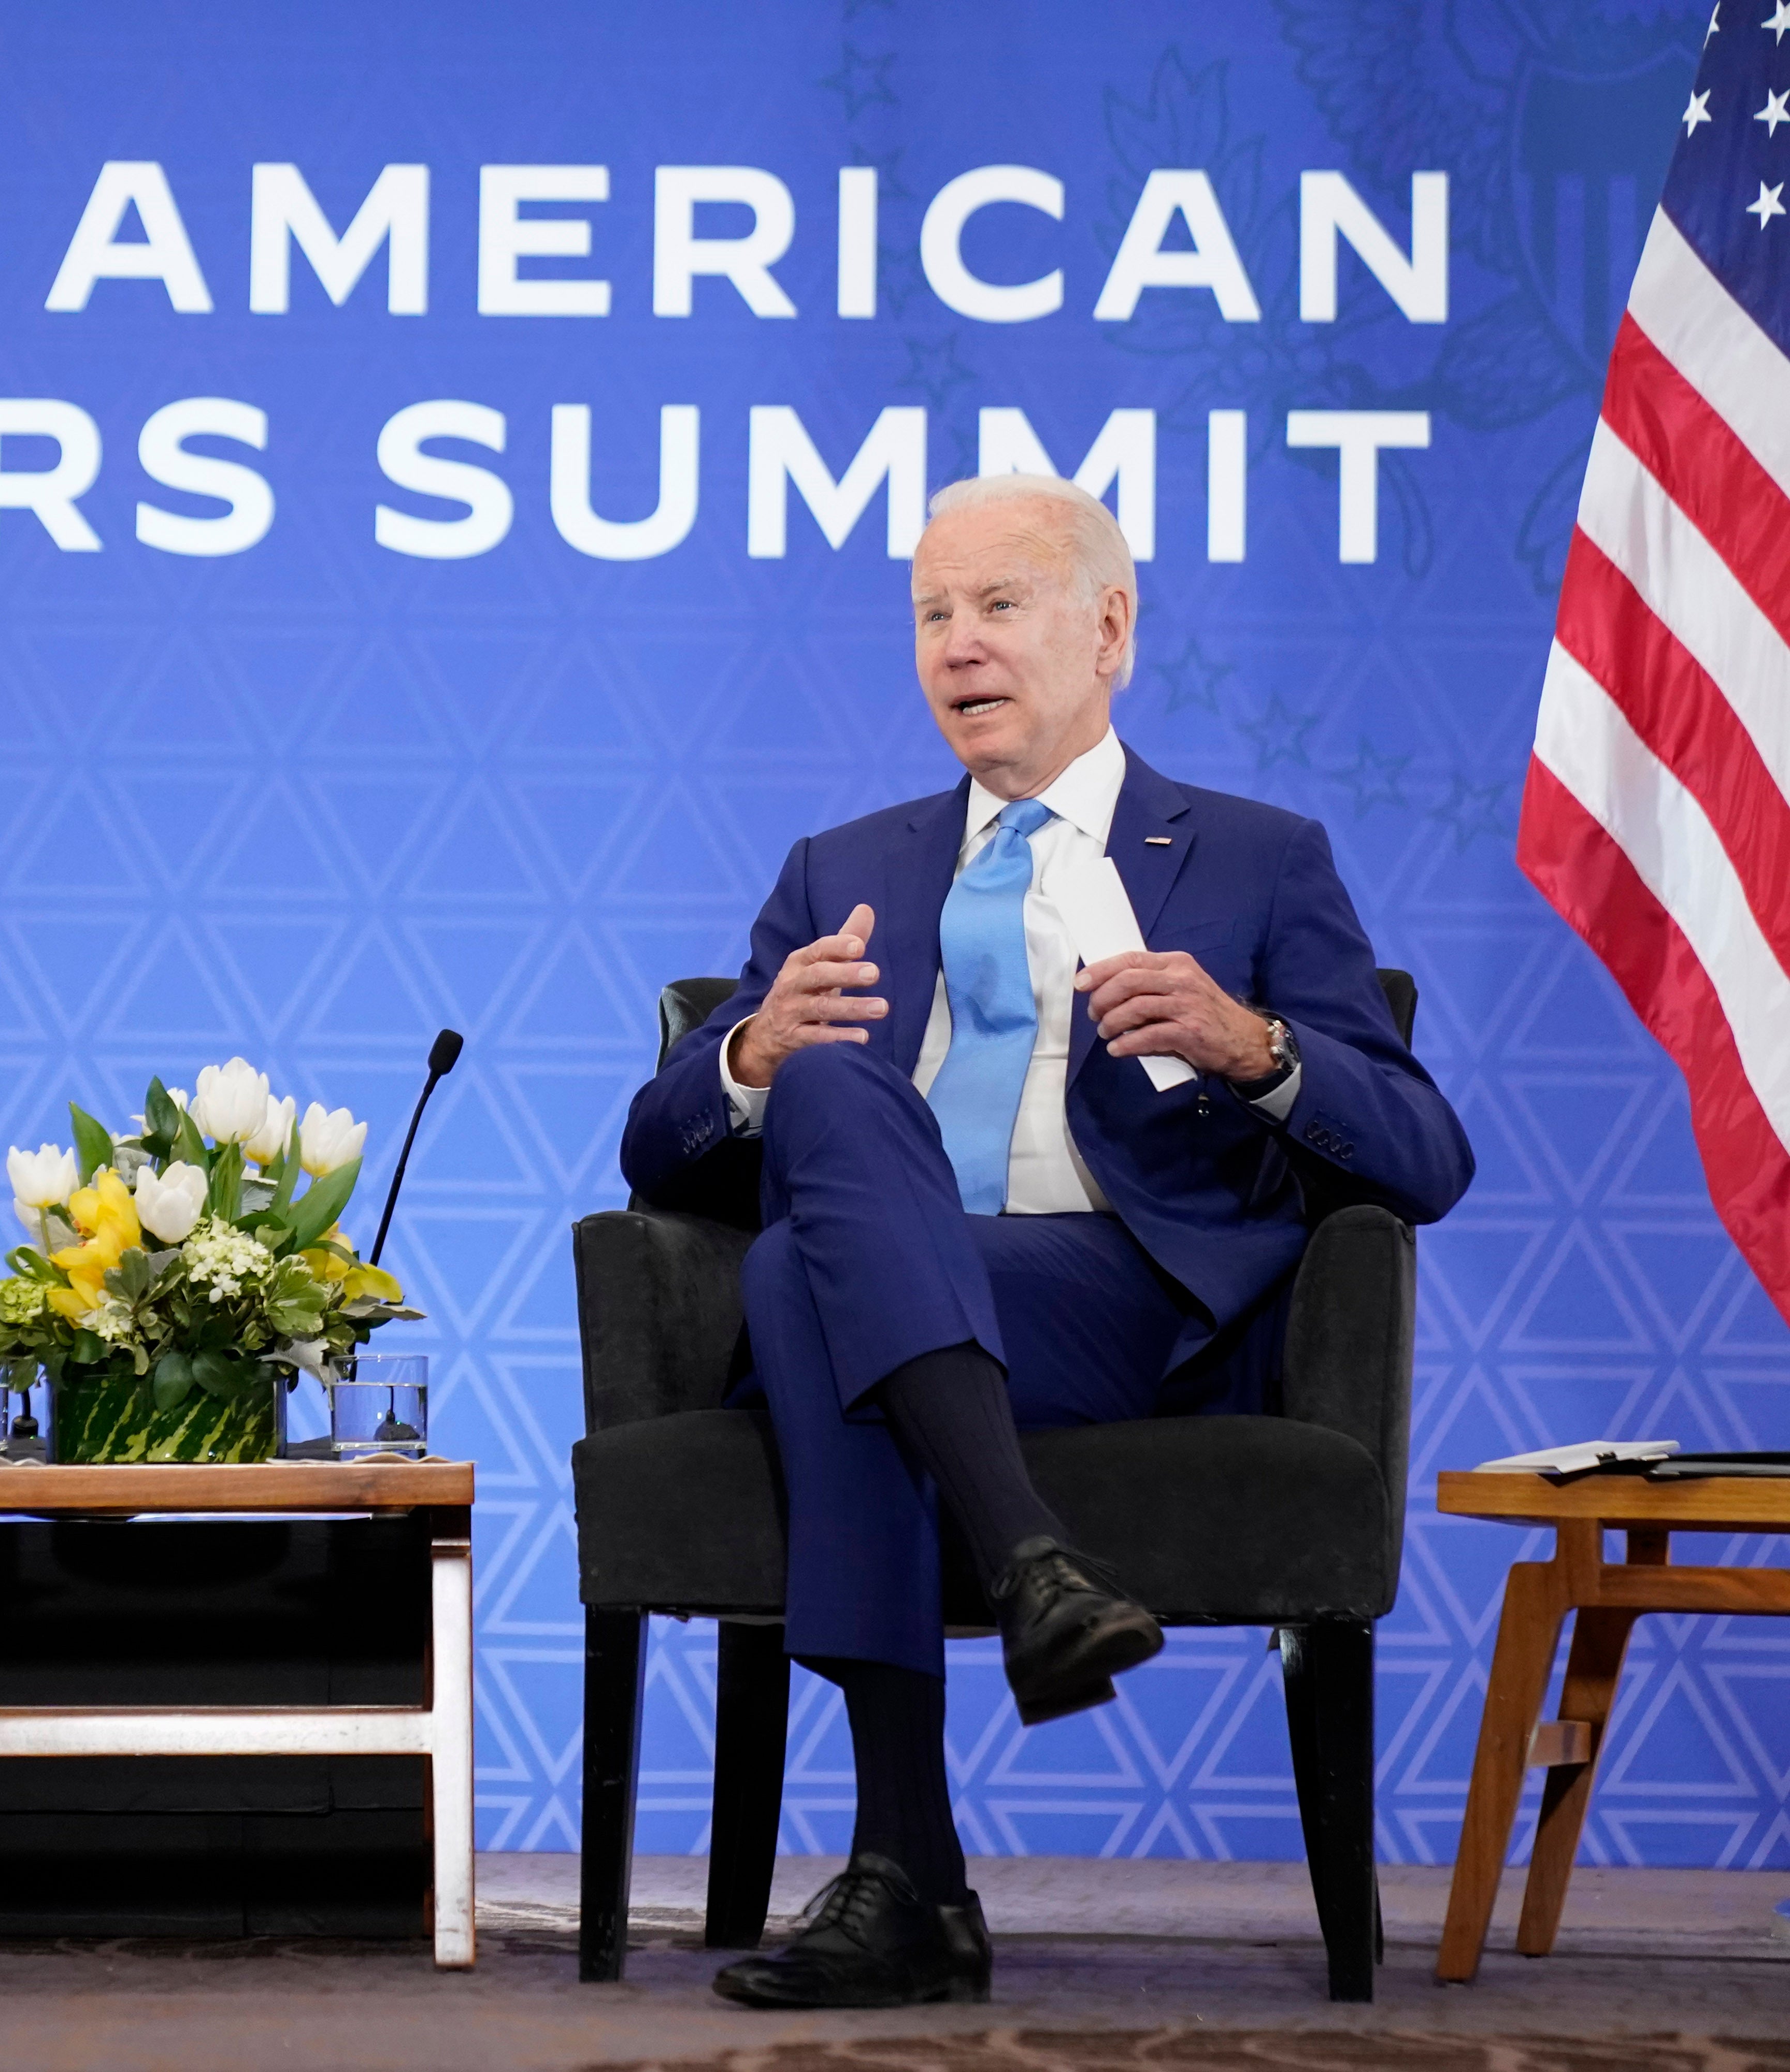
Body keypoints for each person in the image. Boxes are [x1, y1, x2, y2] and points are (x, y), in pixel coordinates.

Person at [617, 473, 1470, 2010]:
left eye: (999, 605)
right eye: (933, 615)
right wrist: (747, 1060)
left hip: (1126, 1301)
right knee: (818, 1175)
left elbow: (1427, 1155)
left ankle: (913, 1879)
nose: (959, 645)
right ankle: (1031, 1571)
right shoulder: (843, 867)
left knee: (799, 1279)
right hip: (898, 1273)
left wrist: (1255, 1046)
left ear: (1110, 628)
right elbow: (651, 1143)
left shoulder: (1257, 858)